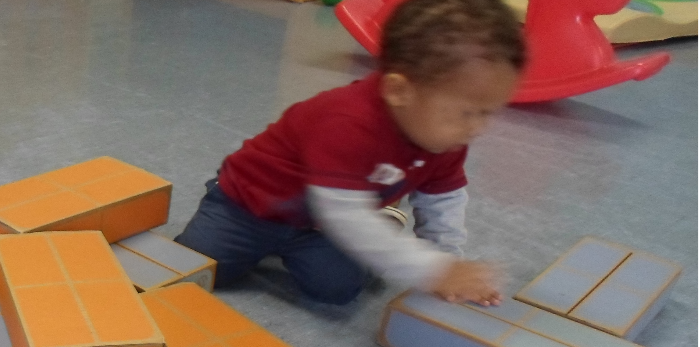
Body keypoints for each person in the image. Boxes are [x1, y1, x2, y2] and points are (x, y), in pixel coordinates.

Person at [175, 0, 523, 307]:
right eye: (466, 112)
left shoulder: (448, 136)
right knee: (190, 271)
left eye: (488, 112)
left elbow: (444, 199)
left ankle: (377, 224)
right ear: (399, 90)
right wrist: (433, 269)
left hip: (320, 224)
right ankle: (371, 224)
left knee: (339, 291)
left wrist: (449, 267)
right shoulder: (346, 121)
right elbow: (343, 215)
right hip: (248, 207)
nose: (477, 129)